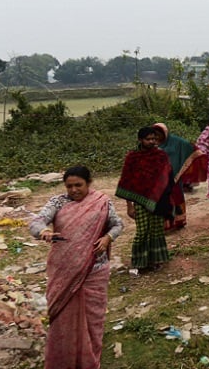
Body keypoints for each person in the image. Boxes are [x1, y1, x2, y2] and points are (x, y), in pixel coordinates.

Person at [29, 165, 123, 369]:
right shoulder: (57, 202)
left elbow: (118, 224)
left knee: (92, 318)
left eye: (78, 185)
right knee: (63, 316)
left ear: (89, 183)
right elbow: (36, 222)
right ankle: (63, 360)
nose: (73, 190)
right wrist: (43, 231)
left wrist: (107, 238)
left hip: (94, 270)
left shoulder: (102, 202)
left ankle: (89, 358)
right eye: (69, 186)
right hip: (64, 269)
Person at [116, 126, 181, 270]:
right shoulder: (132, 158)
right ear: (140, 140)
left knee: (157, 230)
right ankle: (140, 262)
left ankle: (156, 260)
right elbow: (127, 181)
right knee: (142, 231)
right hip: (140, 201)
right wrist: (129, 205)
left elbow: (168, 179)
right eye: (148, 139)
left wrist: (169, 199)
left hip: (159, 201)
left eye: (154, 139)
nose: (152, 142)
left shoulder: (161, 156)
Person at [152, 122, 194, 230]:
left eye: (159, 134)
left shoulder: (175, 142)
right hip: (160, 178)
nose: (157, 136)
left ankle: (179, 220)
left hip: (174, 176)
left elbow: (188, 148)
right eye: (155, 134)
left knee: (177, 196)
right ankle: (167, 223)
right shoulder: (152, 144)